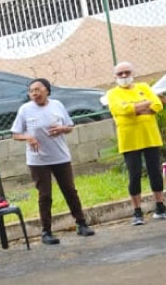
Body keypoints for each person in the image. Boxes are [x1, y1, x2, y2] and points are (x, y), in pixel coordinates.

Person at [11, 78, 96, 245]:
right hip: (38, 160)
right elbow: (15, 134)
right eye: (31, 91)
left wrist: (63, 129)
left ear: (47, 91)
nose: (35, 93)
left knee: (70, 190)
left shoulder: (57, 105)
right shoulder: (25, 109)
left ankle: (81, 224)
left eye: (38, 89)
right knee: (45, 195)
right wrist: (28, 137)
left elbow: (69, 126)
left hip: (60, 156)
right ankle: (46, 232)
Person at [104, 62, 165, 225]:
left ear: (133, 73)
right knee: (134, 175)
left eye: (127, 72)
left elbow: (157, 104)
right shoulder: (112, 93)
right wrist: (144, 105)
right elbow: (119, 110)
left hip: (150, 136)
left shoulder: (144, 87)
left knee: (155, 172)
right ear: (115, 77)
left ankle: (160, 206)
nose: (124, 76)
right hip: (129, 139)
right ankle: (137, 211)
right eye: (120, 73)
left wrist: (133, 108)